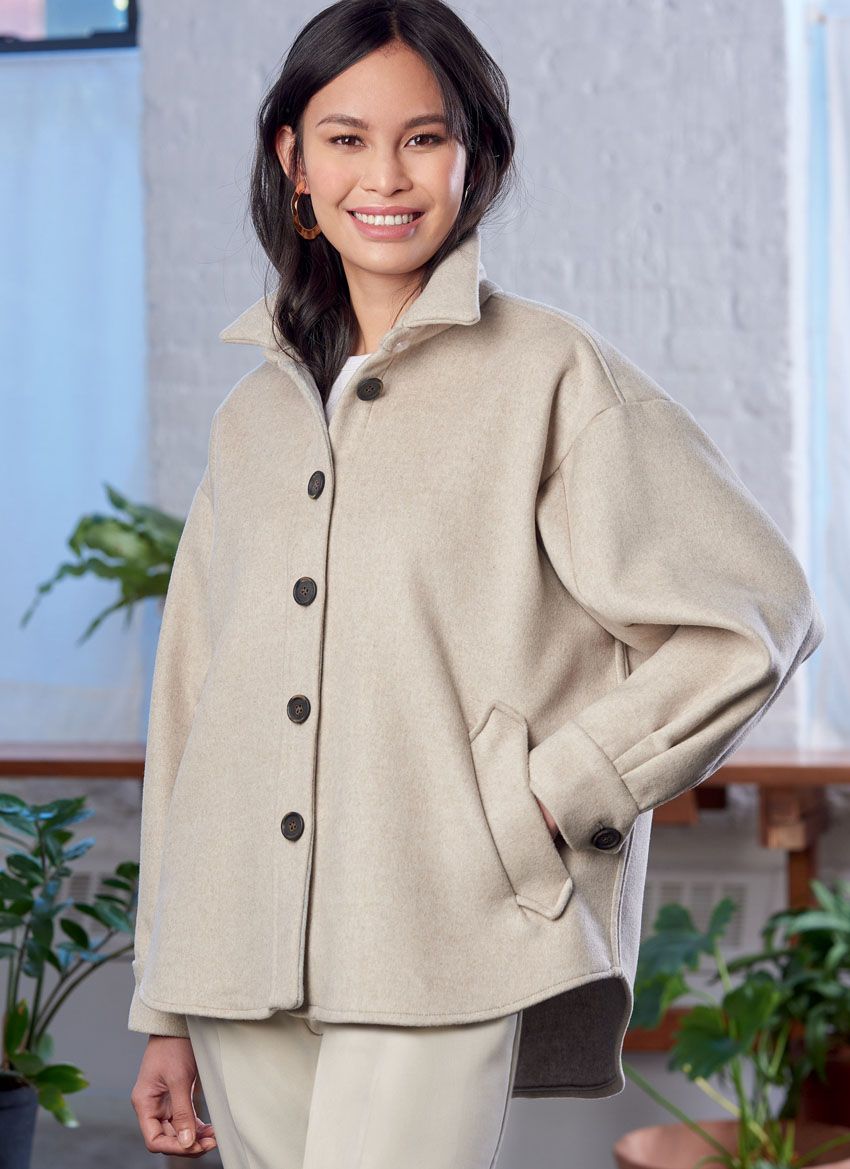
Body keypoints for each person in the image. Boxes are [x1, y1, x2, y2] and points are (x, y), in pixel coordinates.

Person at [128, 1, 825, 1165]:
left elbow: (753, 611)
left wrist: (556, 792)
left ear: (473, 157)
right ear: (293, 161)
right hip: (236, 946)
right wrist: (164, 997)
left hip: (440, 926)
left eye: (424, 137)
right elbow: (190, 704)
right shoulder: (251, 417)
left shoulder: (551, 375)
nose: (384, 175)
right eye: (345, 138)